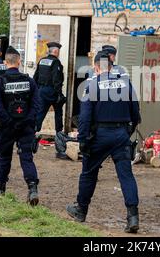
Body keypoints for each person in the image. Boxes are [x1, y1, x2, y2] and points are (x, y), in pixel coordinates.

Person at [66, 51, 141, 233]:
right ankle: (132, 217)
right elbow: (136, 113)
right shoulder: (125, 84)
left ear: (97, 67)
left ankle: (81, 210)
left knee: (88, 173)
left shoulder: (91, 85)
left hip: (99, 136)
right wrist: (126, 132)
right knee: (126, 176)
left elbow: (84, 117)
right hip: (120, 135)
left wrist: (83, 140)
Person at [0, 46, 41, 206]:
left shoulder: (0, 81)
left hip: (7, 126)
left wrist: (9, 120)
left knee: (4, 157)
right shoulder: (29, 80)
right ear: (19, 62)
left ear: (5, 62)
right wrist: (26, 120)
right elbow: (36, 104)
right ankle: (32, 188)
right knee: (26, 157)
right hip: (26, 126)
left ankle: (0, 190)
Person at [33, 42, 66, 158]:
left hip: (41, 91)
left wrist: (36, 91)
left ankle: (29, 143)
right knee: (58, 116)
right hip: (52, 91)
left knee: (39, 116)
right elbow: (56, 79)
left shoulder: (42, 60)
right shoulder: (56, 62)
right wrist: (59, 95)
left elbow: (35, 77)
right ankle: (60, 148)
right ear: (56, 52)